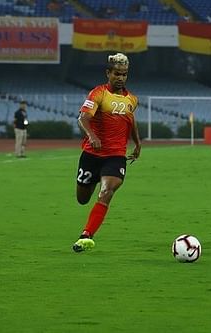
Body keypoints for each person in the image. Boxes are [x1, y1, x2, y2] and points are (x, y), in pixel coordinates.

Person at [72, 52, 141, 252]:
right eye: (117, 74)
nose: (121, 78)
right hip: (92, 155)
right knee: (82, 199)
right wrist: (92, 136)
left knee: (107, 191)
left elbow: (131, 121)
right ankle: (93, 180)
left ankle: (86, 235)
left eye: (124, 74)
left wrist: (137, 143)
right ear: (108, 73)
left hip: (115, 156)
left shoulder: (133, 100)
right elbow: (83, 118)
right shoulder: (98, 94)